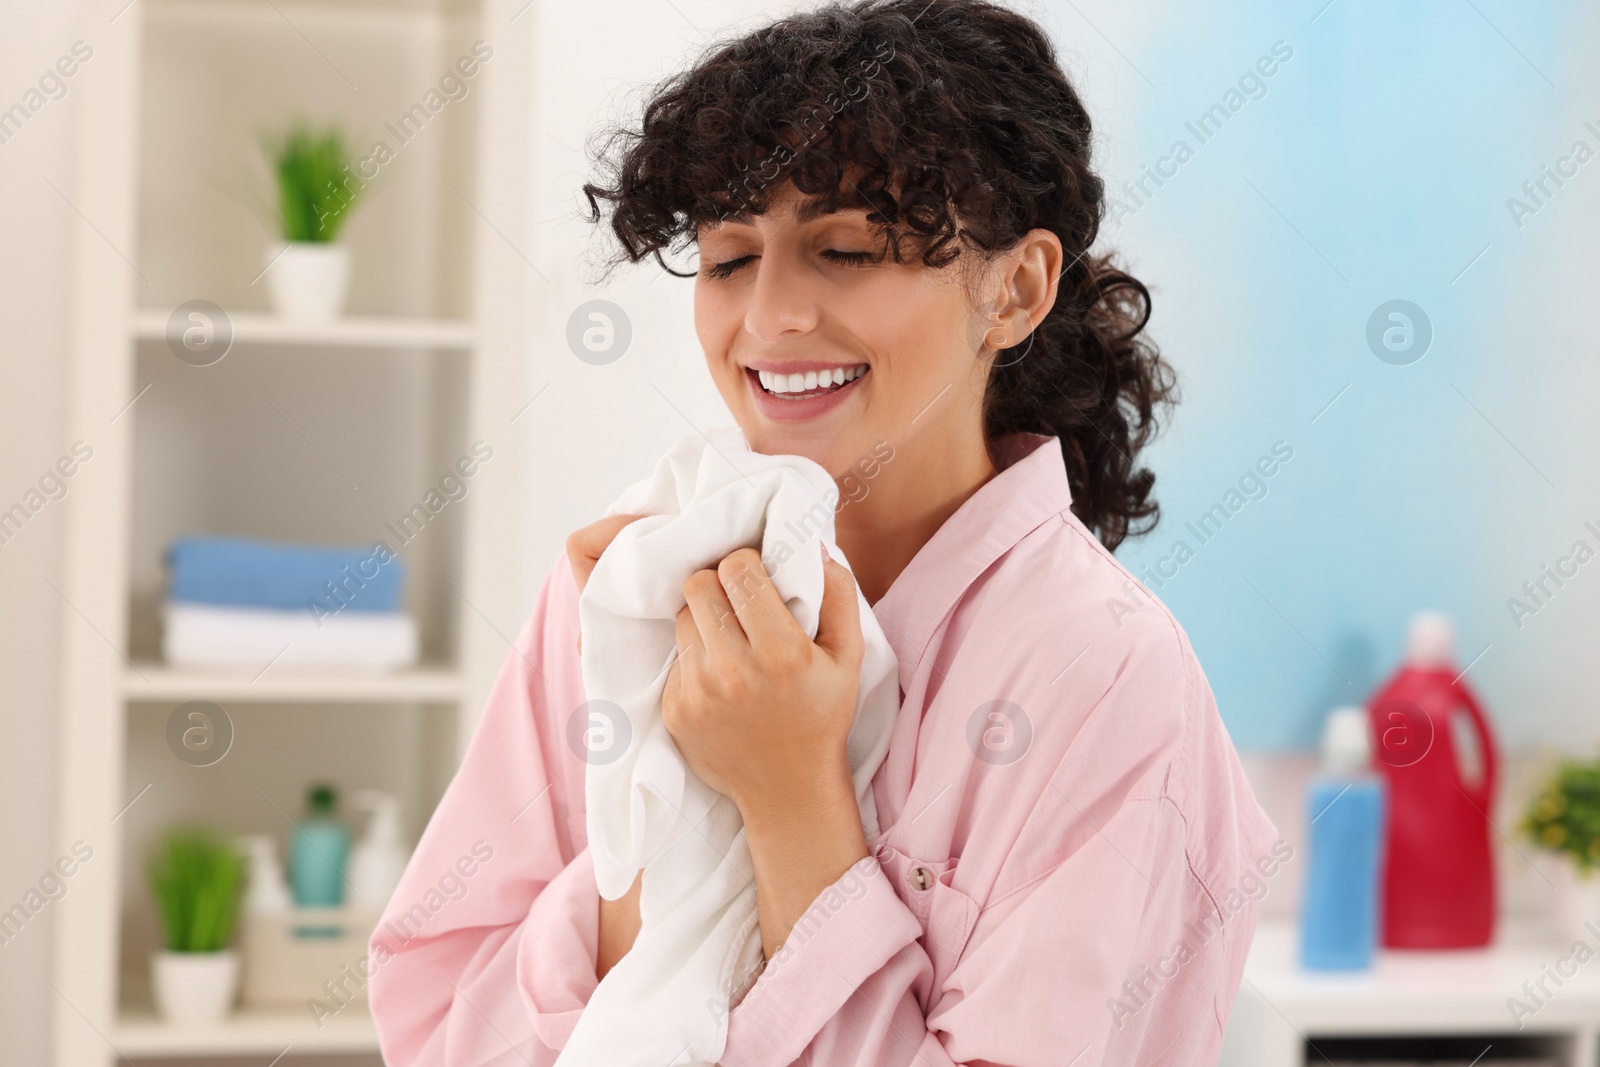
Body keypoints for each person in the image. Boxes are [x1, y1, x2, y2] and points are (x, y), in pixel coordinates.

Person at [368, 1, 1277, 1063]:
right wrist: (662, 814)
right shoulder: (632, 594)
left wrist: (788, 793)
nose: (769, 317)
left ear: (1016, 288)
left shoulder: (1107, 679)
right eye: (727, 258)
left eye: (845, 248)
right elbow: (432, 1005)